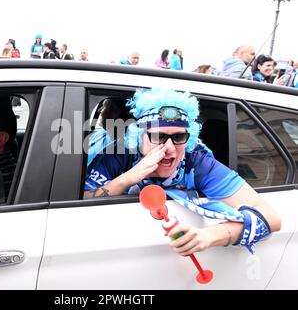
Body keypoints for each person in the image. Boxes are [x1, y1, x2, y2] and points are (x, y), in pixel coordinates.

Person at [84, 87, 281, 255]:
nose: (169, 148)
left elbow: (272, 218)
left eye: (179, 137)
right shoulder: (121, 157)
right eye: (158, 136)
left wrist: (211, 236)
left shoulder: (197, 163)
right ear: (139, 136)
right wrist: (126, 179)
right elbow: (77, 200)